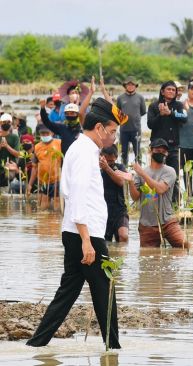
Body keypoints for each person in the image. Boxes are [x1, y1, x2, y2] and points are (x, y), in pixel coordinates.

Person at [27, 97, 124, 349]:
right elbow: (77, 196)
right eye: (112, 131)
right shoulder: (83, 152)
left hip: (76, 231)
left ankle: (36, 344)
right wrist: (86, 241)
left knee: (68, 292)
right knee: (106, 290)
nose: (114, 137)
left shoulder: (86, 150)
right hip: (85, 234)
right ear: (100, 128)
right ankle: (113, 349)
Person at [128, 139, 188, 248]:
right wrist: (130, 182)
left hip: (167, 221)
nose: (161, 153)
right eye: (158, 150)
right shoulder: (140, 173)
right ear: (151, 151)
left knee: (184, 246)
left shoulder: (170, 171)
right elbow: (135, 197)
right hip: (147, 224)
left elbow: (160, 189)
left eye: (163, 151)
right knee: (148, 258)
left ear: (167, 154)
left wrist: (142, 174)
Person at [147, 80, 188, 202]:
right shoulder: (154, 106)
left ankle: (174, 202)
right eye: (169, 89)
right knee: (155, 175)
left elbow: (184, 118)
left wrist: (170, 113)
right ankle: (154, 201)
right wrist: (160, 114)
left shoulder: (179, 106)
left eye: (173, 90)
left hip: (173, 146)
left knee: (173, 176)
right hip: (157, 147)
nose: (171, 91)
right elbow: (150, 124)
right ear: (162, 91)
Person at [27, 124, 62, 210]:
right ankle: (44, 223)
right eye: (42, 133)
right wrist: (30, 184)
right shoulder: (37, 147)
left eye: (47, 133)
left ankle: (56, 222)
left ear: (52, 133)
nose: (45, 135)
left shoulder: (59, 143)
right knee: (43, 207)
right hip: (44, 181)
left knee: (57, 206)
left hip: (57, 180)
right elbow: (34, 168)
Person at [100, 145, 129, 243]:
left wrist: (107, 168)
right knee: (105, 242)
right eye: (106, 160)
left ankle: (122, 257)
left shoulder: (120, 167)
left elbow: (121, 181)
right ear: (101, 157)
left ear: (116, 158)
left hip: (119, 209)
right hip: (102, 211)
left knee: (123, 236)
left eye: (111, 161)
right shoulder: (96, 169)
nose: (108, 163)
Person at [116, 76, 147, 164]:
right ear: (125, 86)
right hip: (124, 130)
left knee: (137, 152)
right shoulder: (120, 98)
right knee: (124, 152)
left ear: (135, 86)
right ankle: (124, 170)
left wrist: (135, 117)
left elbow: (143, 111)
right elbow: (117, 112)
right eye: (128, 84)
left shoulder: (140, 98)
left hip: (136, 130)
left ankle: (139, 171)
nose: (130, 86)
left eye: (132, 84)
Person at [0, 113, 20, 187]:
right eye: (4, 122)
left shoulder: (15, 137)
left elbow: (17, 154)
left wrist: (7, 146)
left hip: (10, 168)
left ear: (11, 123)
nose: (6, 124)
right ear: (0, 123)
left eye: (8, 122)